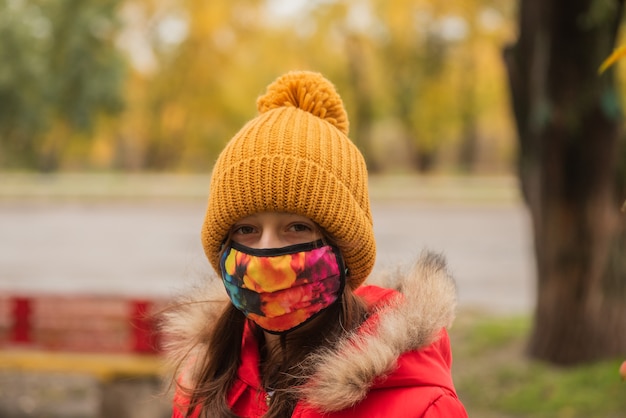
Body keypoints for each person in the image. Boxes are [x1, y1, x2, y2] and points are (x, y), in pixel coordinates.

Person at [163, 70, 468, 417]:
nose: (265, 253)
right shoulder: (204, 384)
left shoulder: (423, 408)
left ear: (344, 248)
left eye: (296, 227)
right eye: (246, 230)